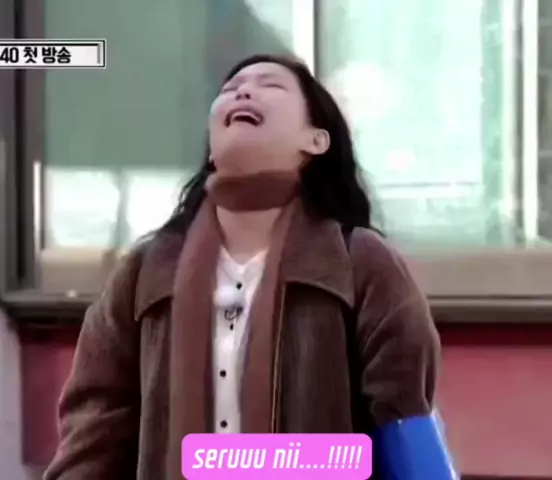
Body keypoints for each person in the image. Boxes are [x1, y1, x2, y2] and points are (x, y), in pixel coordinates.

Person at [44, 54, 457, 480]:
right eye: (230, 89)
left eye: (270, 85)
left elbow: (404, 423)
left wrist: (238, 461)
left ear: (317, 140)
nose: (243, 91)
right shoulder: (146, 271)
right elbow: (94, 432)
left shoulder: (360, 261)